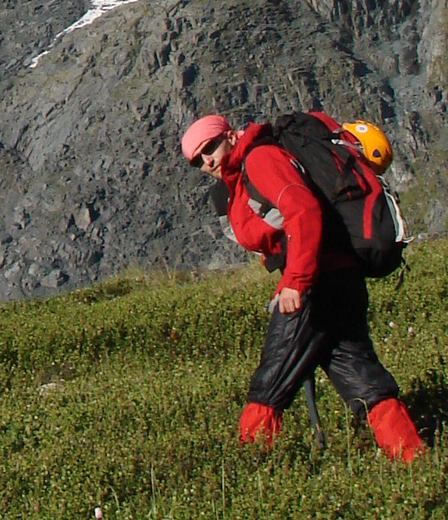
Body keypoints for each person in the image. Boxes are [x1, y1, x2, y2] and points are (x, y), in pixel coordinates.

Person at [180, 112, 424, 462]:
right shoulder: (241, 177)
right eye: (197, 160)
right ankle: (411, 456)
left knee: (269, 381)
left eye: (210, 147)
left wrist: (295, 281)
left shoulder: (260, 159)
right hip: (341, 278)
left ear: (230, 136)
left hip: (315, 284)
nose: (207, 161)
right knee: (360, 376)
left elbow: (304, 211)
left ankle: (249, 468)